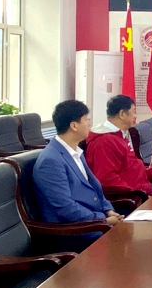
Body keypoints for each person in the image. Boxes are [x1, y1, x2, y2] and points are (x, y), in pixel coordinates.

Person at [33, 100, 123, 252]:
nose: (89, 124)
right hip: (73, 232)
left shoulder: (75, 152)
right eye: (86, 120)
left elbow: (94, 188)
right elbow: (65, 207)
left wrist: (108, 209)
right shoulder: (51, 161)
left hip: (92, 222)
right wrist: (102, 219)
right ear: (74, 126)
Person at [85, 95, 152, 201]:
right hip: (134, 200)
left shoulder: (118, 136)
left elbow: (130, 167)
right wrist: (138, 196)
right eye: (133, 111)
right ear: (122, 114)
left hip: (144, 191)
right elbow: (107, 181)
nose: (135, 116)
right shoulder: (104, 142)